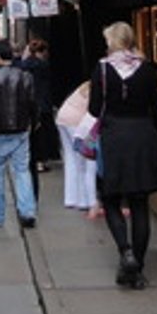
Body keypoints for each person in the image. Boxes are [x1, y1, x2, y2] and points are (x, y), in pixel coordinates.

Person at [88, 20, 157, 290]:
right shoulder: (146, 69)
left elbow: (94, 108)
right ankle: (138, 270)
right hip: (143, 136)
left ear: (112, 40)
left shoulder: (102, 69)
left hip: (114, 137)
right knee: (139, 203)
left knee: (110, 198)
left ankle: (126, 252)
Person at [0, 38, 38, 229]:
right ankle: (27, 211)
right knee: (22, 171)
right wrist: (33, 123)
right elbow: (32, 103)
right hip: (20, 129)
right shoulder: (25, 76)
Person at [55, 79, 99, 215]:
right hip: (76, 122)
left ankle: (71, 198)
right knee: (83, 162)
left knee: (70, 158)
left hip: (62, 118)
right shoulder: (97, 90)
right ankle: (85, 200)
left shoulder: (85, 85)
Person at [21, 38, 60, 177]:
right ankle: (41, 162)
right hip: (42, 103)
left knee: (33, 134)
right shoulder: (43, 66)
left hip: (29, 103)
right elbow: (47, 86)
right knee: (43, 134)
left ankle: (33, 159)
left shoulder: (24, 66)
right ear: (42, 52)